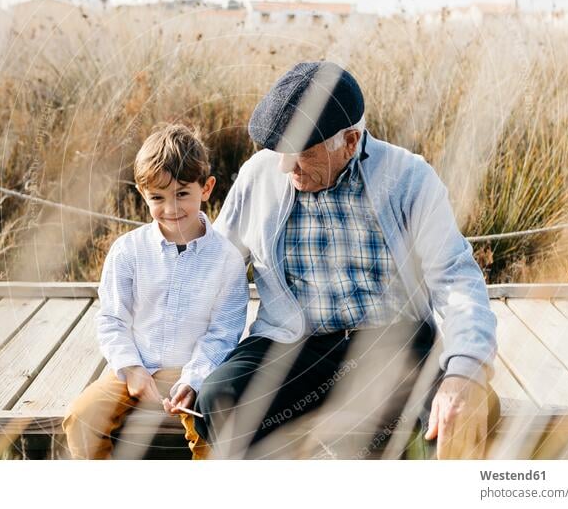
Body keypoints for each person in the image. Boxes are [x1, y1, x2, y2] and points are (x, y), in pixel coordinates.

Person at [194, 61, 500, 459]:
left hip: (394, 341)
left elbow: (457, 280)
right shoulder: (260, 174)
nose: (286, 165)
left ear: (351, 141)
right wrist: (181, 357)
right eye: (280, 150)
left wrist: (464, 371)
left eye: (302, 151)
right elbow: (216, 270)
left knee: (463, 413)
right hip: (294, 344)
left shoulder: (409, 178)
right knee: (221, 399)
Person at [62, 123, 249, 459]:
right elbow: (112, 319)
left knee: (215, 425)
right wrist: (131, 369)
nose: (171, 209)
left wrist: (192, 381)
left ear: (206, 188)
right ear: (142, 192)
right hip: (139, 367)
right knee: (81, 416)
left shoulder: (226, 259)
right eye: (158, 198)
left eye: (182, 194)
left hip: (196, 371)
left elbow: (223, 334)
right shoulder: (128, 251)